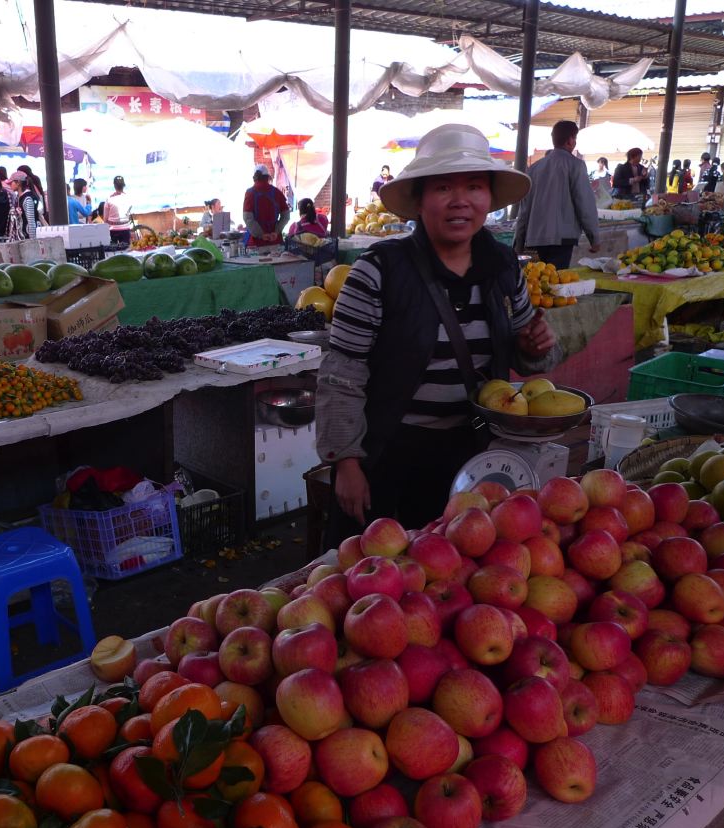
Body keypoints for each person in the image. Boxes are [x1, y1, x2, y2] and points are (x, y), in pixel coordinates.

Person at [316, 124, 561, 543]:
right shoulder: (377, 271)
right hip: (388, 449)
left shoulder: (505, 268)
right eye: (443, 187)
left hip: (470, 451)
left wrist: (534, 347)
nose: (460, 201)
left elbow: (526, 353)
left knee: (446, 569)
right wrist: (346, 461)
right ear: (420, 200)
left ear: (489, 198)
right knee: (367, 567)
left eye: (474, 187)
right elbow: (343, 371)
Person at [514, 120, 600, 270]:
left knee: (542, 282)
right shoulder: (576, 165)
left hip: (536, 237)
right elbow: (585, 204)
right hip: (563, 237)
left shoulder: (534, 168)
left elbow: (524, 209)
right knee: (557, 283)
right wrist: (594, 237)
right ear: (571, 140)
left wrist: (519, 242)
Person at [243, 164, 290, 248]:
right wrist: (276, 231)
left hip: (256, 242)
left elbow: (248, 218)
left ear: (254, 177)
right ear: (267, 177)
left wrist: (261, 234)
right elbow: (286, 215)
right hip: (275, 240)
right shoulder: (277, 192)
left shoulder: (250, 193)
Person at [105, 175, 132, 246]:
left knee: (114, 253)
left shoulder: (109, 199)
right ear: (123, 185)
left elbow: (105, 219)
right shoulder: (129, 198)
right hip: (125, 229)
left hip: (112, 231)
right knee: (126, 253)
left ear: (114, 185)